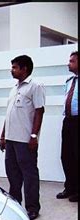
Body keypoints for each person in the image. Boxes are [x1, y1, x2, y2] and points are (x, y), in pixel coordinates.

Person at [0, 55, 45, 220]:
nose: (12, 70)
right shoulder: (14, 88)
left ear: (24, 69)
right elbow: (9, 114)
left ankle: (32, 208)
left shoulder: (35, 86)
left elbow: (39, 111)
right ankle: (15, 205)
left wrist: (34, 135)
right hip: (11, 139)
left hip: (25, 140)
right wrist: (3, 135)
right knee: (12, 174)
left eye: (15, 67)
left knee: (29, 174)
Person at [57, 51, 78, 203]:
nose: (68, 63)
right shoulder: (69, 81)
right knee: (66, 155)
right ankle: (69, 187)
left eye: (71, 61)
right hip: (68, 121)